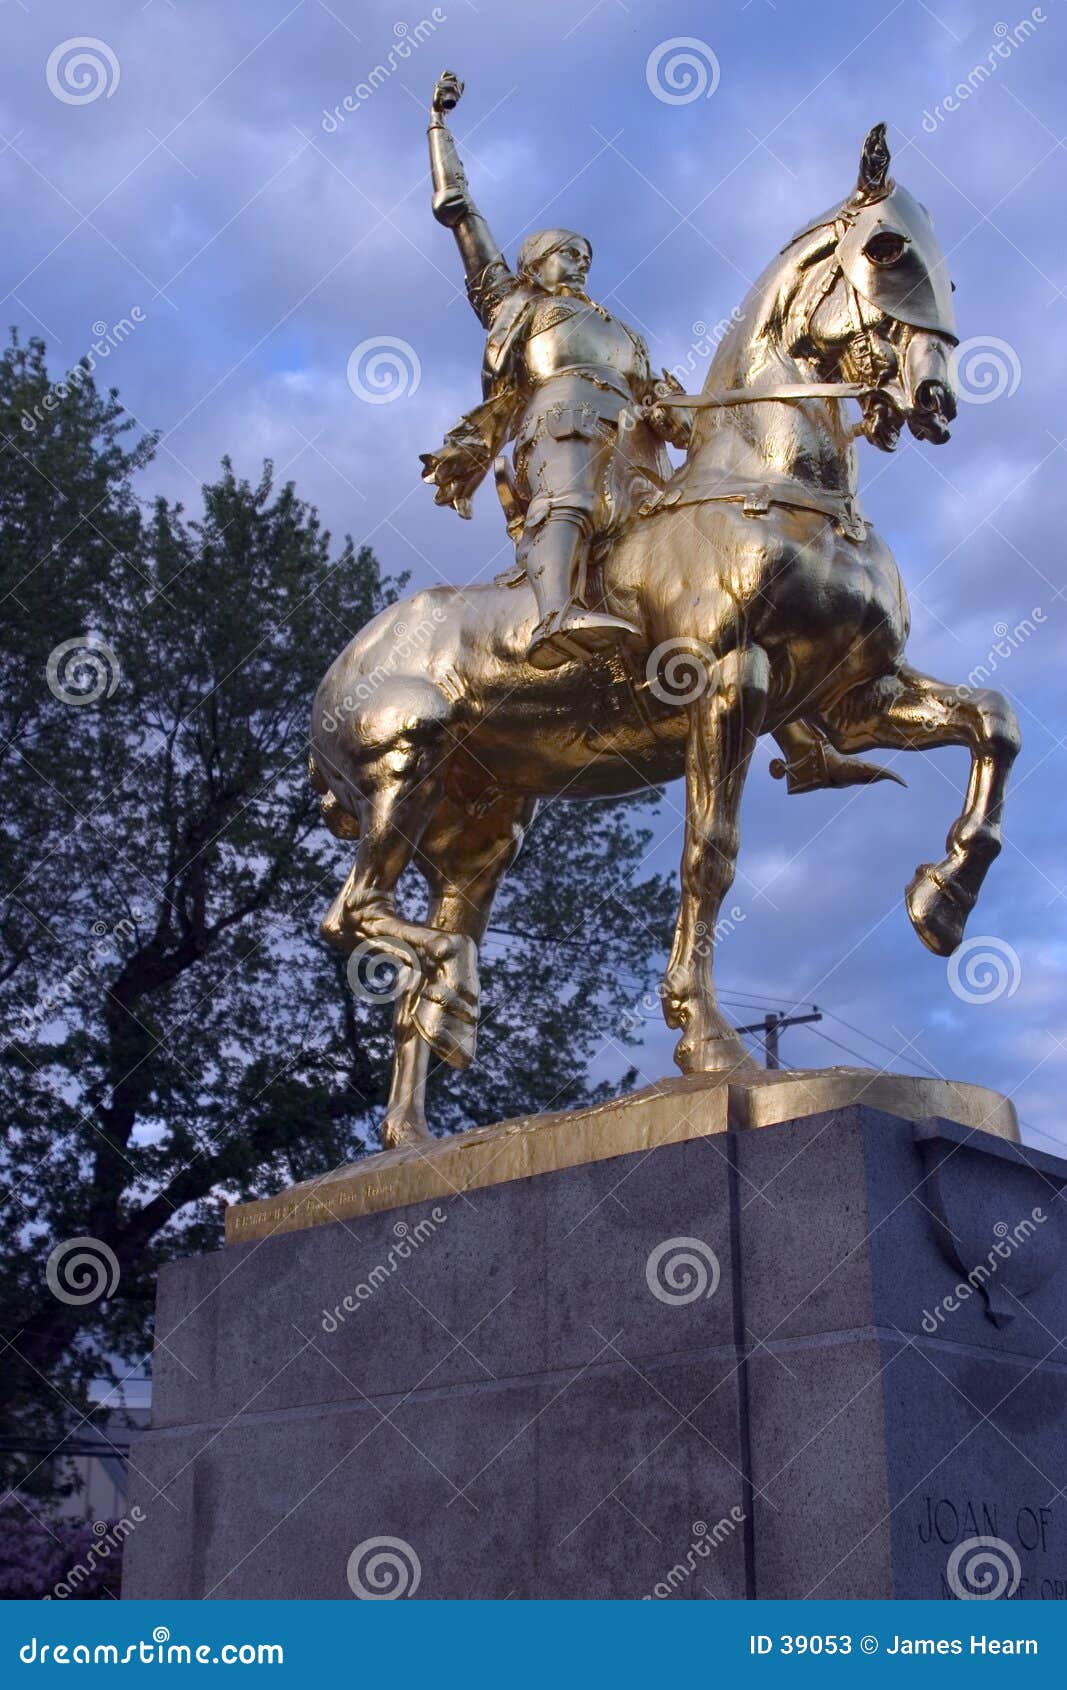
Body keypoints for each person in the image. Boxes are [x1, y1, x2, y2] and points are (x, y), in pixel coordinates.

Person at [420, 71, 690, 669]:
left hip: (636, 448)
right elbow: (458, 211)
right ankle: (555, 614)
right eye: (568, 252)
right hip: (560, 425)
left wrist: (675, 416)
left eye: (587, 256)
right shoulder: (517, 303)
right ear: (533, 265)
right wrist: (439, 126)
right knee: (570, 496)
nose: (581, 264)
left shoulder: (625, 335)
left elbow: (667, 411)